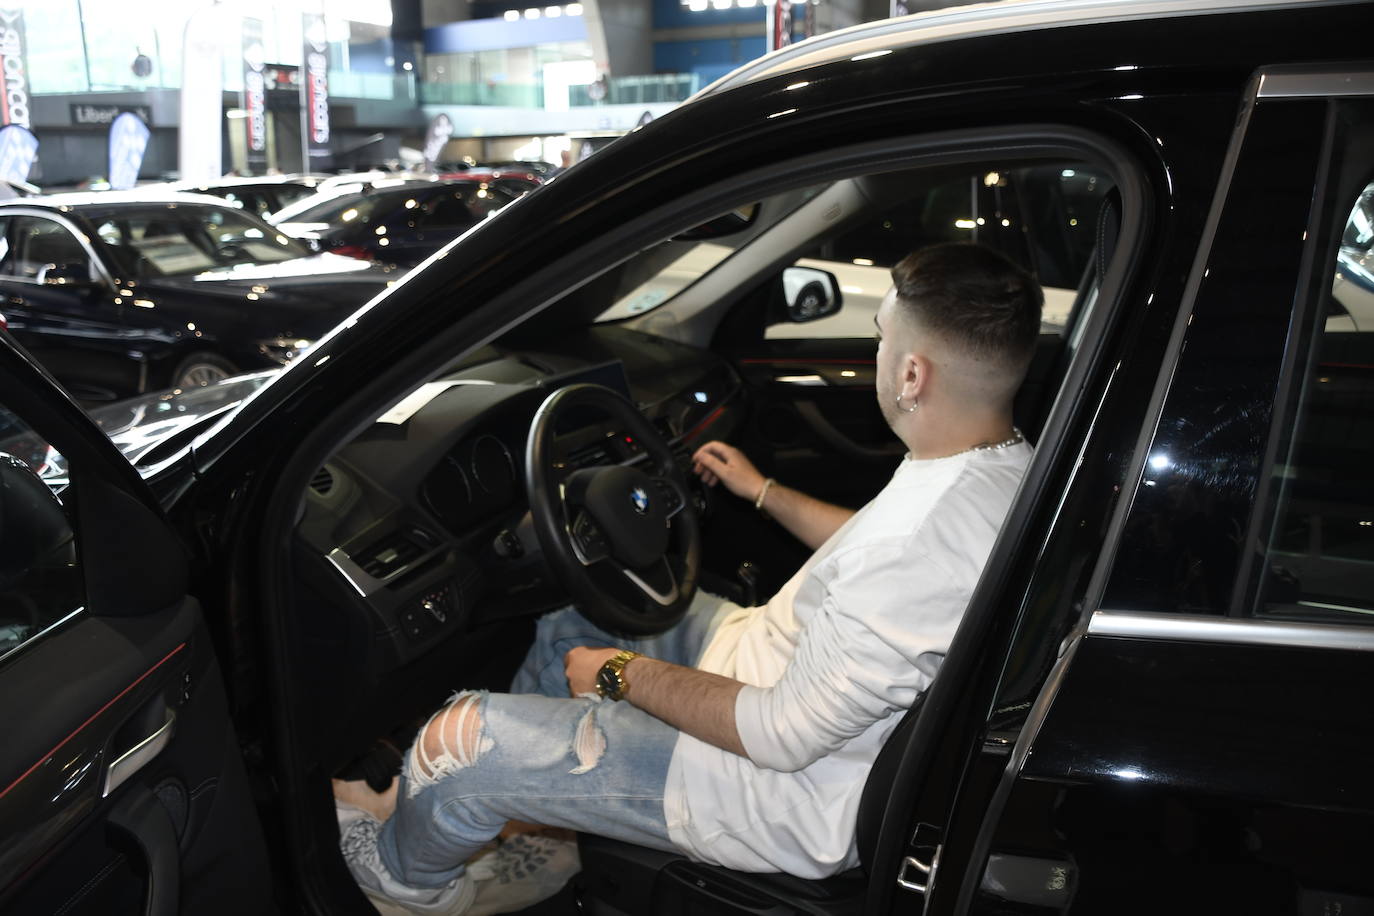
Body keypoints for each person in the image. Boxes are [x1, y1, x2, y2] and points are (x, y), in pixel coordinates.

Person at [334, 241, 1043, 913]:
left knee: (454, 744)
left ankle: (410, 884)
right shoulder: (998, 463)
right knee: (568, 620)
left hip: (771, 789)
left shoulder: (923, 544)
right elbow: (866, 544)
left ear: (914, 374)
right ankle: (519, 820)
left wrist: (618, 676)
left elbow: (779, 737)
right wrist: (762, 490)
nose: (878, 353)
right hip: (762, 662)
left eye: (884, 339)